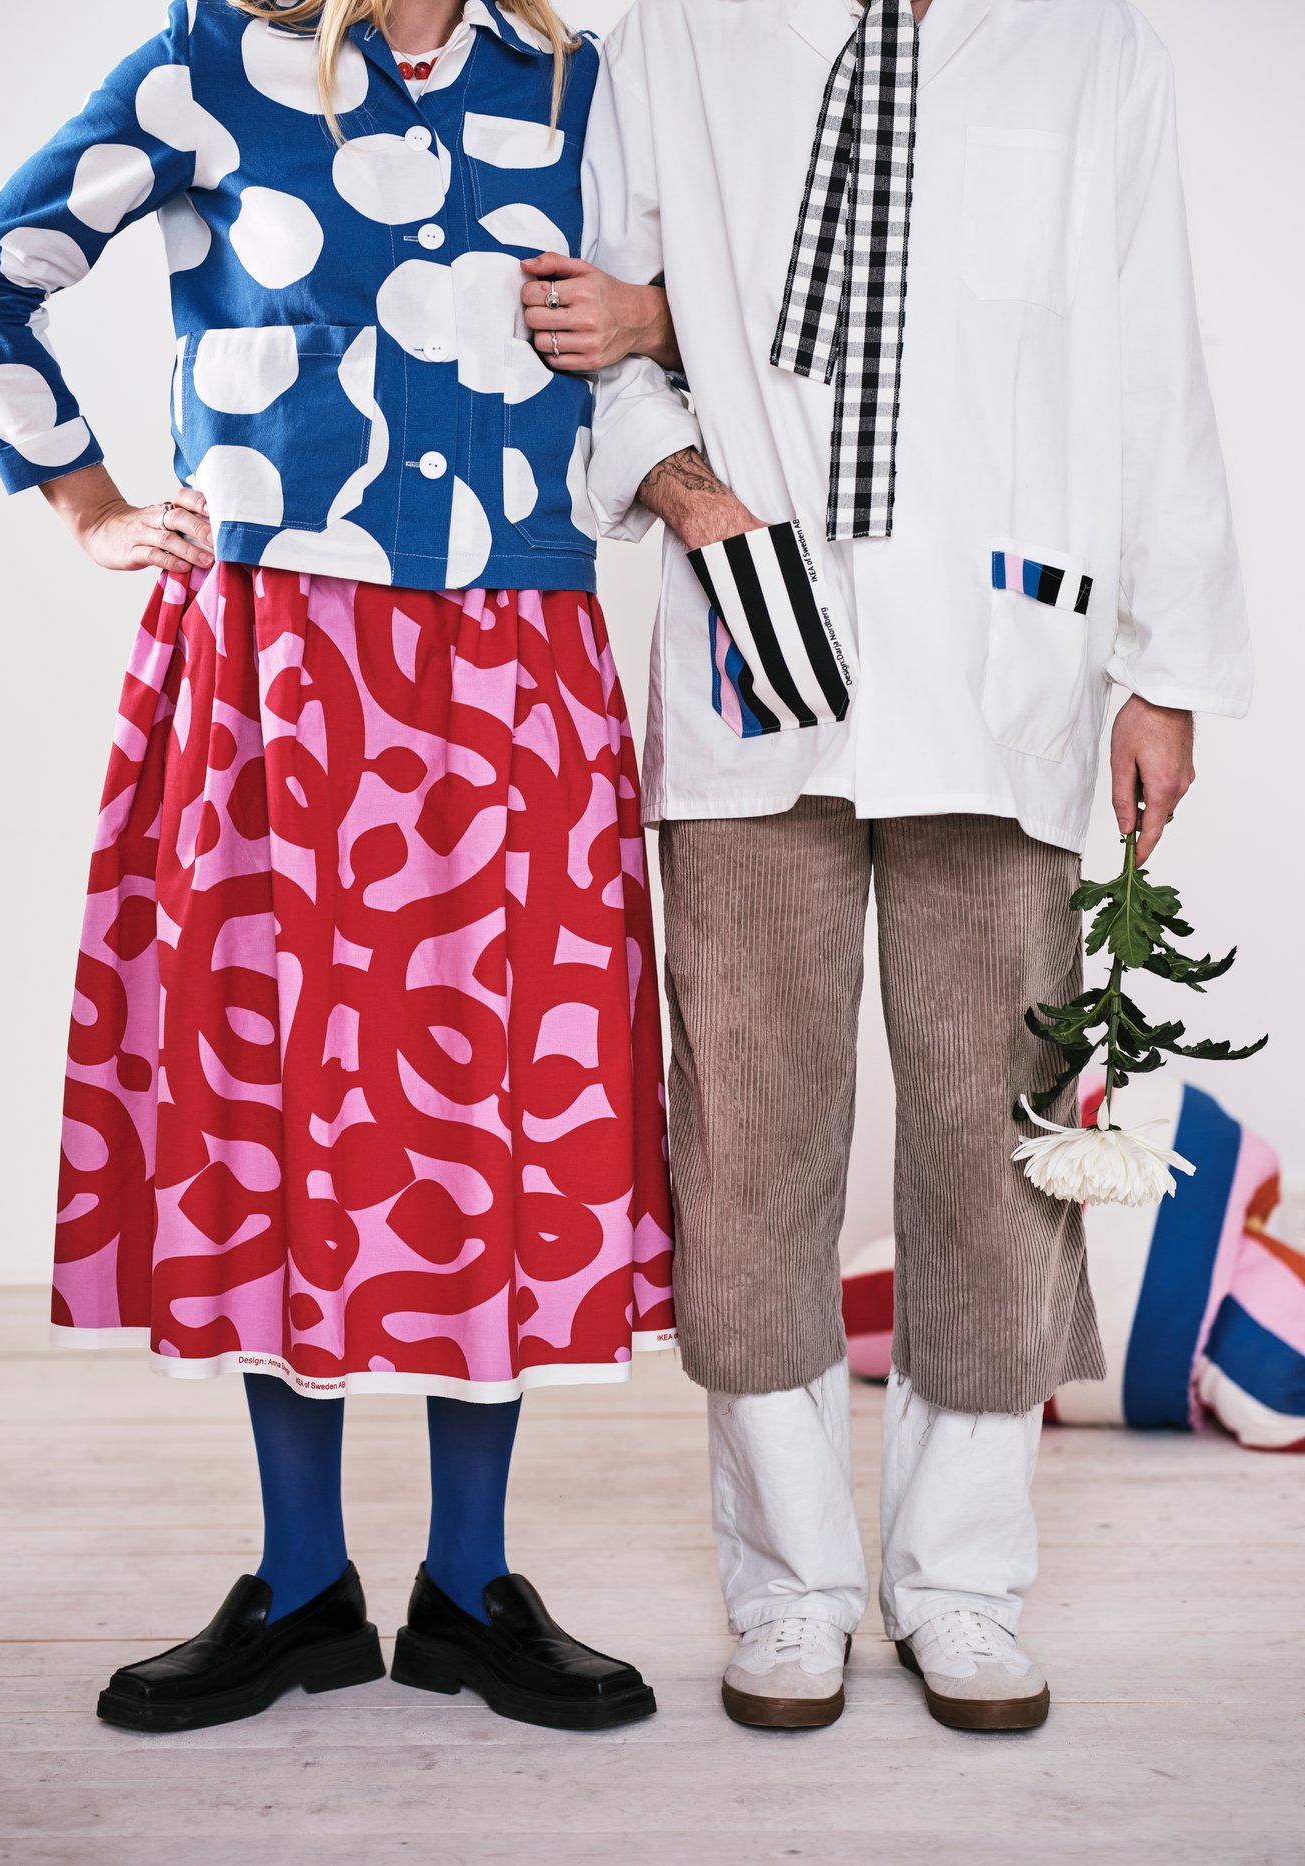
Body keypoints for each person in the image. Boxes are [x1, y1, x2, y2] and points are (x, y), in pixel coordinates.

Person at [0, 0, 682, 1735]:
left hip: (517, 658)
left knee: (495, 1107)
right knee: (278, 1097)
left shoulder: (581, 81)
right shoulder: (207, 58)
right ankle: (297, 1587)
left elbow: (715, 318)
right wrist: (86, 498)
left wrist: (653, 319)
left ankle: (473, 1586)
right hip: (277, 668)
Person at [534, 0, 1251, 1731]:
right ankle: (789, 1592)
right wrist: (699, 504)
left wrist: (1170, 665)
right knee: (753, 1135)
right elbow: (592, 334)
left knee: (993, 1140)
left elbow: (1147, 355)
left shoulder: (1091, 49)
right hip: (751, 667)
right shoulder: (676, 42)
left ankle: (964, 1587)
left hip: (1007, 667)